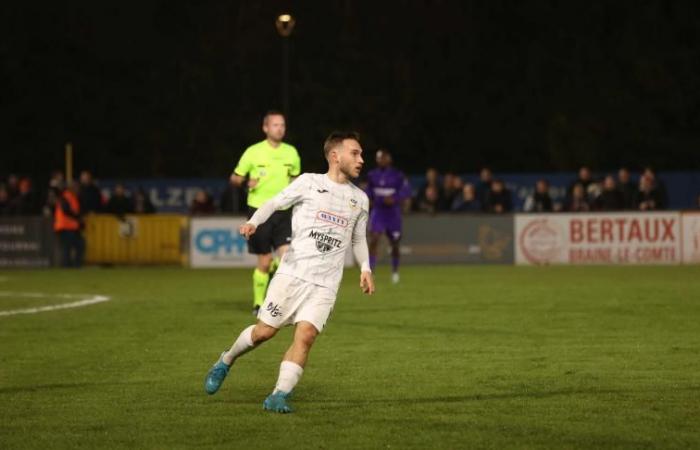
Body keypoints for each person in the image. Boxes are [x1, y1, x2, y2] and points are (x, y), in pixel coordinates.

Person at [204, 130, 374, 414]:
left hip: (326, 284)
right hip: (292, 274)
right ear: (335, 156)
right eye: (355, 153)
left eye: (361, 154)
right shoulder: (308, 182)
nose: (361, 160)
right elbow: (274, 202)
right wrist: (254, 222)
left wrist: (366, 268)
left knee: (305, 336)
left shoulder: (360, 199)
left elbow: (358, 239)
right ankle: (226, 360)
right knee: (264, 333)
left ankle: (278, 395)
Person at [231, 110, 301, 315]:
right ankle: (258, 304)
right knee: (264, 261)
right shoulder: (253, 152)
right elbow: (234, 178)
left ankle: (282, 302)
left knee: (286, 258)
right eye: (275, 125)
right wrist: (246, 182)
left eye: (283, 125)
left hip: (283, 211)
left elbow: (295, 179)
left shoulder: (291, 152)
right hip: (259, 211)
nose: (280, 129)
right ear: (265, 128)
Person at [365, 148, 411, 284]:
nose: (381, 160)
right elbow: (368, 192)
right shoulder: (372, 175)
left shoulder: (397, 175)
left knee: (395, 244)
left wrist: (395, 198)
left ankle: (395, 271)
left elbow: (406, 191)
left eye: (384, 157)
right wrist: (370, 200)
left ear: (389, 159)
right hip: (378, 212)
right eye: (379, 158)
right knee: (373, 240)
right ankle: (371, 272)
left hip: (393, 213)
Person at [54, 181, 85, 267]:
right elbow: (66, 210)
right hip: (64, 227)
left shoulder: (73, 197)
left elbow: (75, 212)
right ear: (72, 188)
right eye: (76, 188)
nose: (78, 190)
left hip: (72, 227)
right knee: (67, 248)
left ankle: (76, 265)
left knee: (80, 245)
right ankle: (66, 266)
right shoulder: (66, 196)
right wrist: (78, 217)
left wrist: (80, 223)